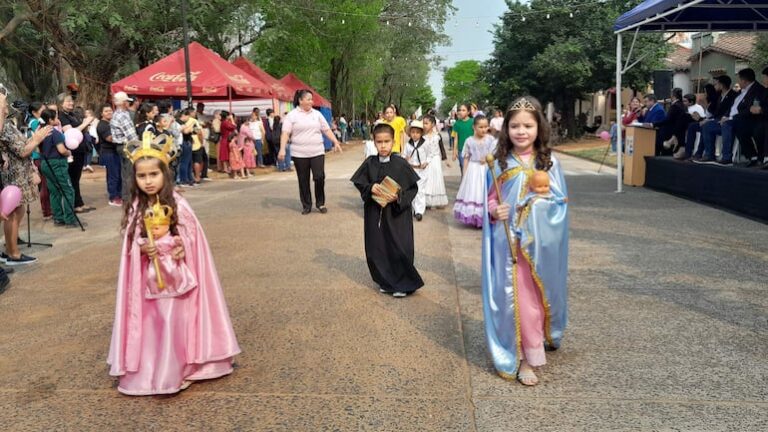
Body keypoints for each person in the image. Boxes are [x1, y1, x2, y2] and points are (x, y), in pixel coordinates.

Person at [108, 134, 240, 396]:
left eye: (153, 174)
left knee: (174, 320)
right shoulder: (136, 206)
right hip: (148, 280)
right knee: (155, 323)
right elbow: (131, 241)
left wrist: (177, 246)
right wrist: (141, 247)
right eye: (142, 176)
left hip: (177, 278)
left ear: (164, 174)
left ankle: (178, 370)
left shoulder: (177, 203)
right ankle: (155, 370)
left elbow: (191, 237)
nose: (148, 181)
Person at [483, 96, 569, 386]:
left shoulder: (549, 162)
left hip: (537, 246)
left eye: (528, 126)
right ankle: (520, 357)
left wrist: (537, 207)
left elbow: (560, 203)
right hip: (507, 244)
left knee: (534, 300)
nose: (521, 131)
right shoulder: (497, 163)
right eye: (515, 126)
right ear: (506, 128)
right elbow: (491, 200)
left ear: (539, 127)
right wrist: (496, 210)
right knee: (515, 300)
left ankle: (536, 346)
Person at [350, 123, 423, 298]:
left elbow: (413, 189)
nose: (383, 146)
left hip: (397, 215)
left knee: (399, 246)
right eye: (379, 142)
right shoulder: (369, 163)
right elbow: (360, 183)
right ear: (374, 143)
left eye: (387, 141)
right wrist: (371, 187)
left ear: (394, 141)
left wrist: (398, 197)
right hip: (375, 214)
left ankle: (402, 284)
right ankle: (386, 281)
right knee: (378, 247)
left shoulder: (401, 164)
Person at [0, 93, 52, 265]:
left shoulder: (7, 124)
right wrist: (37, 139)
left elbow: (21, 146)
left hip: (19, 171)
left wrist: (35, 137)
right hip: (15, 173)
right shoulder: (4, 127)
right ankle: (13, 253)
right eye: (4, 103)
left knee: (17, 211)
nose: (7, 106)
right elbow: (22, 151)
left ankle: (11, 249)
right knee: (14, 212)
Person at [278, 90, 342, 214]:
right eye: (308, 99)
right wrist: (282, 149)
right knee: (303, 179)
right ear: (300, 100)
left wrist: (335, 141)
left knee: (319, 177)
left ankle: (320, 203)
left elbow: (326, 129)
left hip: (317, 151)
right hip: (299, 153)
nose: (311, 101)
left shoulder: (317, 114)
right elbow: (285, 133)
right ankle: (306, 205)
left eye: (311, 99)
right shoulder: (292, 115)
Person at [38, 109, 78, 228]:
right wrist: (68, 152)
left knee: (54, 191)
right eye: (55, 118)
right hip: (57, 163)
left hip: (45, 163)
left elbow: (37, 148)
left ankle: (58, 218)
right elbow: (61, 150)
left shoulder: (41, 131)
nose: (58, 120)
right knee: (68, 190)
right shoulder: (54, 133)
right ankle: (70, 219)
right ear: (50, 120)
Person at [453, 115, 496, 228]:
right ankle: (475, 218)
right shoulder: (469, 141)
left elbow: (495, 153)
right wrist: (465, 173)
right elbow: (466, 157)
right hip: (474, 169)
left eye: (485, 127)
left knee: (486, 191)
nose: (483, 129)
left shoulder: (490, 140)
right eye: (480, 127)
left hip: (487, 169)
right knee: (474, 191)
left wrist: (487, 157)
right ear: (474, 127)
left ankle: (488, 215)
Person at [58, 92, 96, 213]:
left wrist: (86, 124)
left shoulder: (73, 114)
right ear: (60, 104)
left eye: (71, 101)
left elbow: (80, 129)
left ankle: (79, 202)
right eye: (67, 101)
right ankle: (74, 205)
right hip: (71, 151)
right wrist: (84, 123)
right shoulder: (61, 117)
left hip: (80, 149)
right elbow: (70, 133)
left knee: (77, 178)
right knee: (73, 178)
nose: (71, 103)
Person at [694, 75, 739, 164]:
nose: (715, 86)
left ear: (721, 85)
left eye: (716, 84)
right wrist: (709, 120)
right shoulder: (719, 96)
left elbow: (732, 110)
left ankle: (727, 157)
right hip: (718, 120)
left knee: (726, 125)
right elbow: (716, 113)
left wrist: (725, 118)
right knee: (707, 126)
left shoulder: (733, 95)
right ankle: (709, 155)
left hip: (730, 120)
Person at [110, 91, 139, 202]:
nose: (128, 103)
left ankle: (127, 196)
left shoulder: (118, 114)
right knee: (130, 172)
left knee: (126, 172)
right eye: (127, 101)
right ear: (123, 103)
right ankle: (130, 197)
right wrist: (138, 146)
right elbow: (131, 135)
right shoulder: (122, 116)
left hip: (120, 145)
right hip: (127, 145)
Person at [27, 102, 52, 219]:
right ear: (34, 112)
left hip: (42, 156)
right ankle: (47, 211)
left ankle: (49, 209)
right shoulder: (35, 122)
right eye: (42, 110)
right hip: (38, 156)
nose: (44, 111)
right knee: (44, 185)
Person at [96, 104, 122, 207]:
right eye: (106, 111)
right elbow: (110, 138)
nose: (109, 112)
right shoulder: (102, 125)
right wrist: (122, 136)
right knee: (113, 176)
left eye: (110, 110)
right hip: (108, 153)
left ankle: (119, 195)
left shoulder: (111, 123)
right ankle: (113, 197)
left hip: (115, 152)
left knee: (118, 175)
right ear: (102, 113)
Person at [684, 84, 718, 161]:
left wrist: (705, 119)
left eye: (705, 92)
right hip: (706, 120)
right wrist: (701, 118)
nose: (704, 94)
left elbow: (715, 115)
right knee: (692, 126)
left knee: (705, 127)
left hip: (712, 121)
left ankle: (699, 153)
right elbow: (706, 116)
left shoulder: (715, 102)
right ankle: (688, 153)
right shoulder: (707, 101)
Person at [403, 120, 428, 221]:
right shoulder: (408, 145)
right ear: (410, 133)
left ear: (421, 133)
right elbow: (404, 155)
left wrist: (426, 162)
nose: (415, 135)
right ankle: (413, 208)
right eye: (413, 132)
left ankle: (419, 211)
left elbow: (431, 154)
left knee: (420, 191)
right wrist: (405, 158)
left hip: (421, 170)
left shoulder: (425, 144)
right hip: (411, 169)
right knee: (413, 189)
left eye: (417, 132)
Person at [421, 115, 448, 209]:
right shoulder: (422, 136)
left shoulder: (437, 136)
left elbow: (442, 148)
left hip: (435, 160)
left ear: (432, 124)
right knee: (426, 179)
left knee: (436, 178)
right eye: (423, 123)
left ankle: (438, 200)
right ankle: (426, 201)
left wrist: (445, 160)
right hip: (426, 160)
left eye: (426, 123)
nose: (424, 125)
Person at [451, 104, 474, 173]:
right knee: (464, 169)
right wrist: (454, 152)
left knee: (472, 170)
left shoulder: (473, 122)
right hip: (461, 150)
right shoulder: (457, 124)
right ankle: (464, 182)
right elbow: (455, 139)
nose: (461, 112)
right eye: (460, 110)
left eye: (463, 110)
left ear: (468, 112)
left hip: (473, 149)